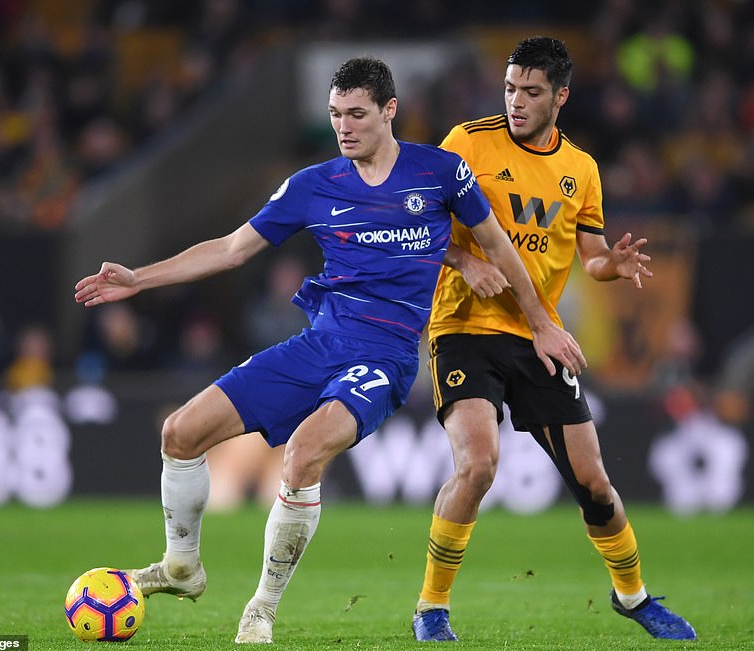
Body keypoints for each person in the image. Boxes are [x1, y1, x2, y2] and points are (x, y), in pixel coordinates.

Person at [74, 56, 583, 645]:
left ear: (390, 111)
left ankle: (261, 608)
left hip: (386, 356)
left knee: (303, 454)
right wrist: (139, 279)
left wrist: (540, 322)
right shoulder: (313, 185)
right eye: (336, 114)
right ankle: (181, 566)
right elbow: (232, 249)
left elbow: (500, 247)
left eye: (357, 114)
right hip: (319, 343)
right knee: (180, 434)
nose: (344, 127)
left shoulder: (442, 173)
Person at [410, 37, 697, 642]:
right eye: (510, 88)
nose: (516, 101)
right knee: (478, 465)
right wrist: (465, 260)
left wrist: (611, 265)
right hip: (464, 327)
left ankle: (632, 596)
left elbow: (590, 256)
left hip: (539, 336)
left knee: (594, 484)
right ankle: (431, 608)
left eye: (531, 92)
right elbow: (417, 222)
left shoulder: (581, 169)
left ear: (560, 97)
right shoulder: (466, 142)